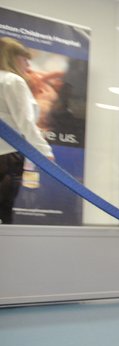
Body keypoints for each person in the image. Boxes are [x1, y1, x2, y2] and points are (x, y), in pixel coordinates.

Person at [0, 37, 54, 225]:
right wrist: (44, 151)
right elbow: (25, 122)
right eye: (24, 59)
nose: (28, 64)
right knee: (4, 209)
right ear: (13, 58)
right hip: (8, 155)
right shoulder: (13, 81)